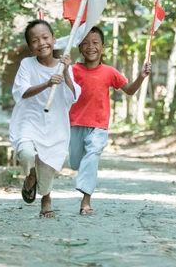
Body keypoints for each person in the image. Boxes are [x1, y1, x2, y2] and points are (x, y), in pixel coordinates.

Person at [69, 26, 151, 216]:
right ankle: (83, 181)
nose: (91, 47)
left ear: (103, 47)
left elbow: (129, 90)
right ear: (79, 47)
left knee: (92, 154)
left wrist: (141, 76)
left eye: (95, 42)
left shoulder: (109, 72)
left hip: (99, 126)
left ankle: (86, 201)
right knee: (76, 162)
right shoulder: (72, 71)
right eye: (85, 43)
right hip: (75, 124)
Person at [9, 19, 81, 218]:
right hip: (29, 121)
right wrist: (47, 83)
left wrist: (65, 72)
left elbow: (73, 96)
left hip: (54, 123)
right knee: (26, 154)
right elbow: (21, 92)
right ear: (30, 47)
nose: (41, 43)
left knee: (48, 164)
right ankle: (30, 174)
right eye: (35, 40)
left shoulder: (64, 66)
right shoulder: (27, 64)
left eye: (45, 37)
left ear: (54, 39)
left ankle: (46, 198)